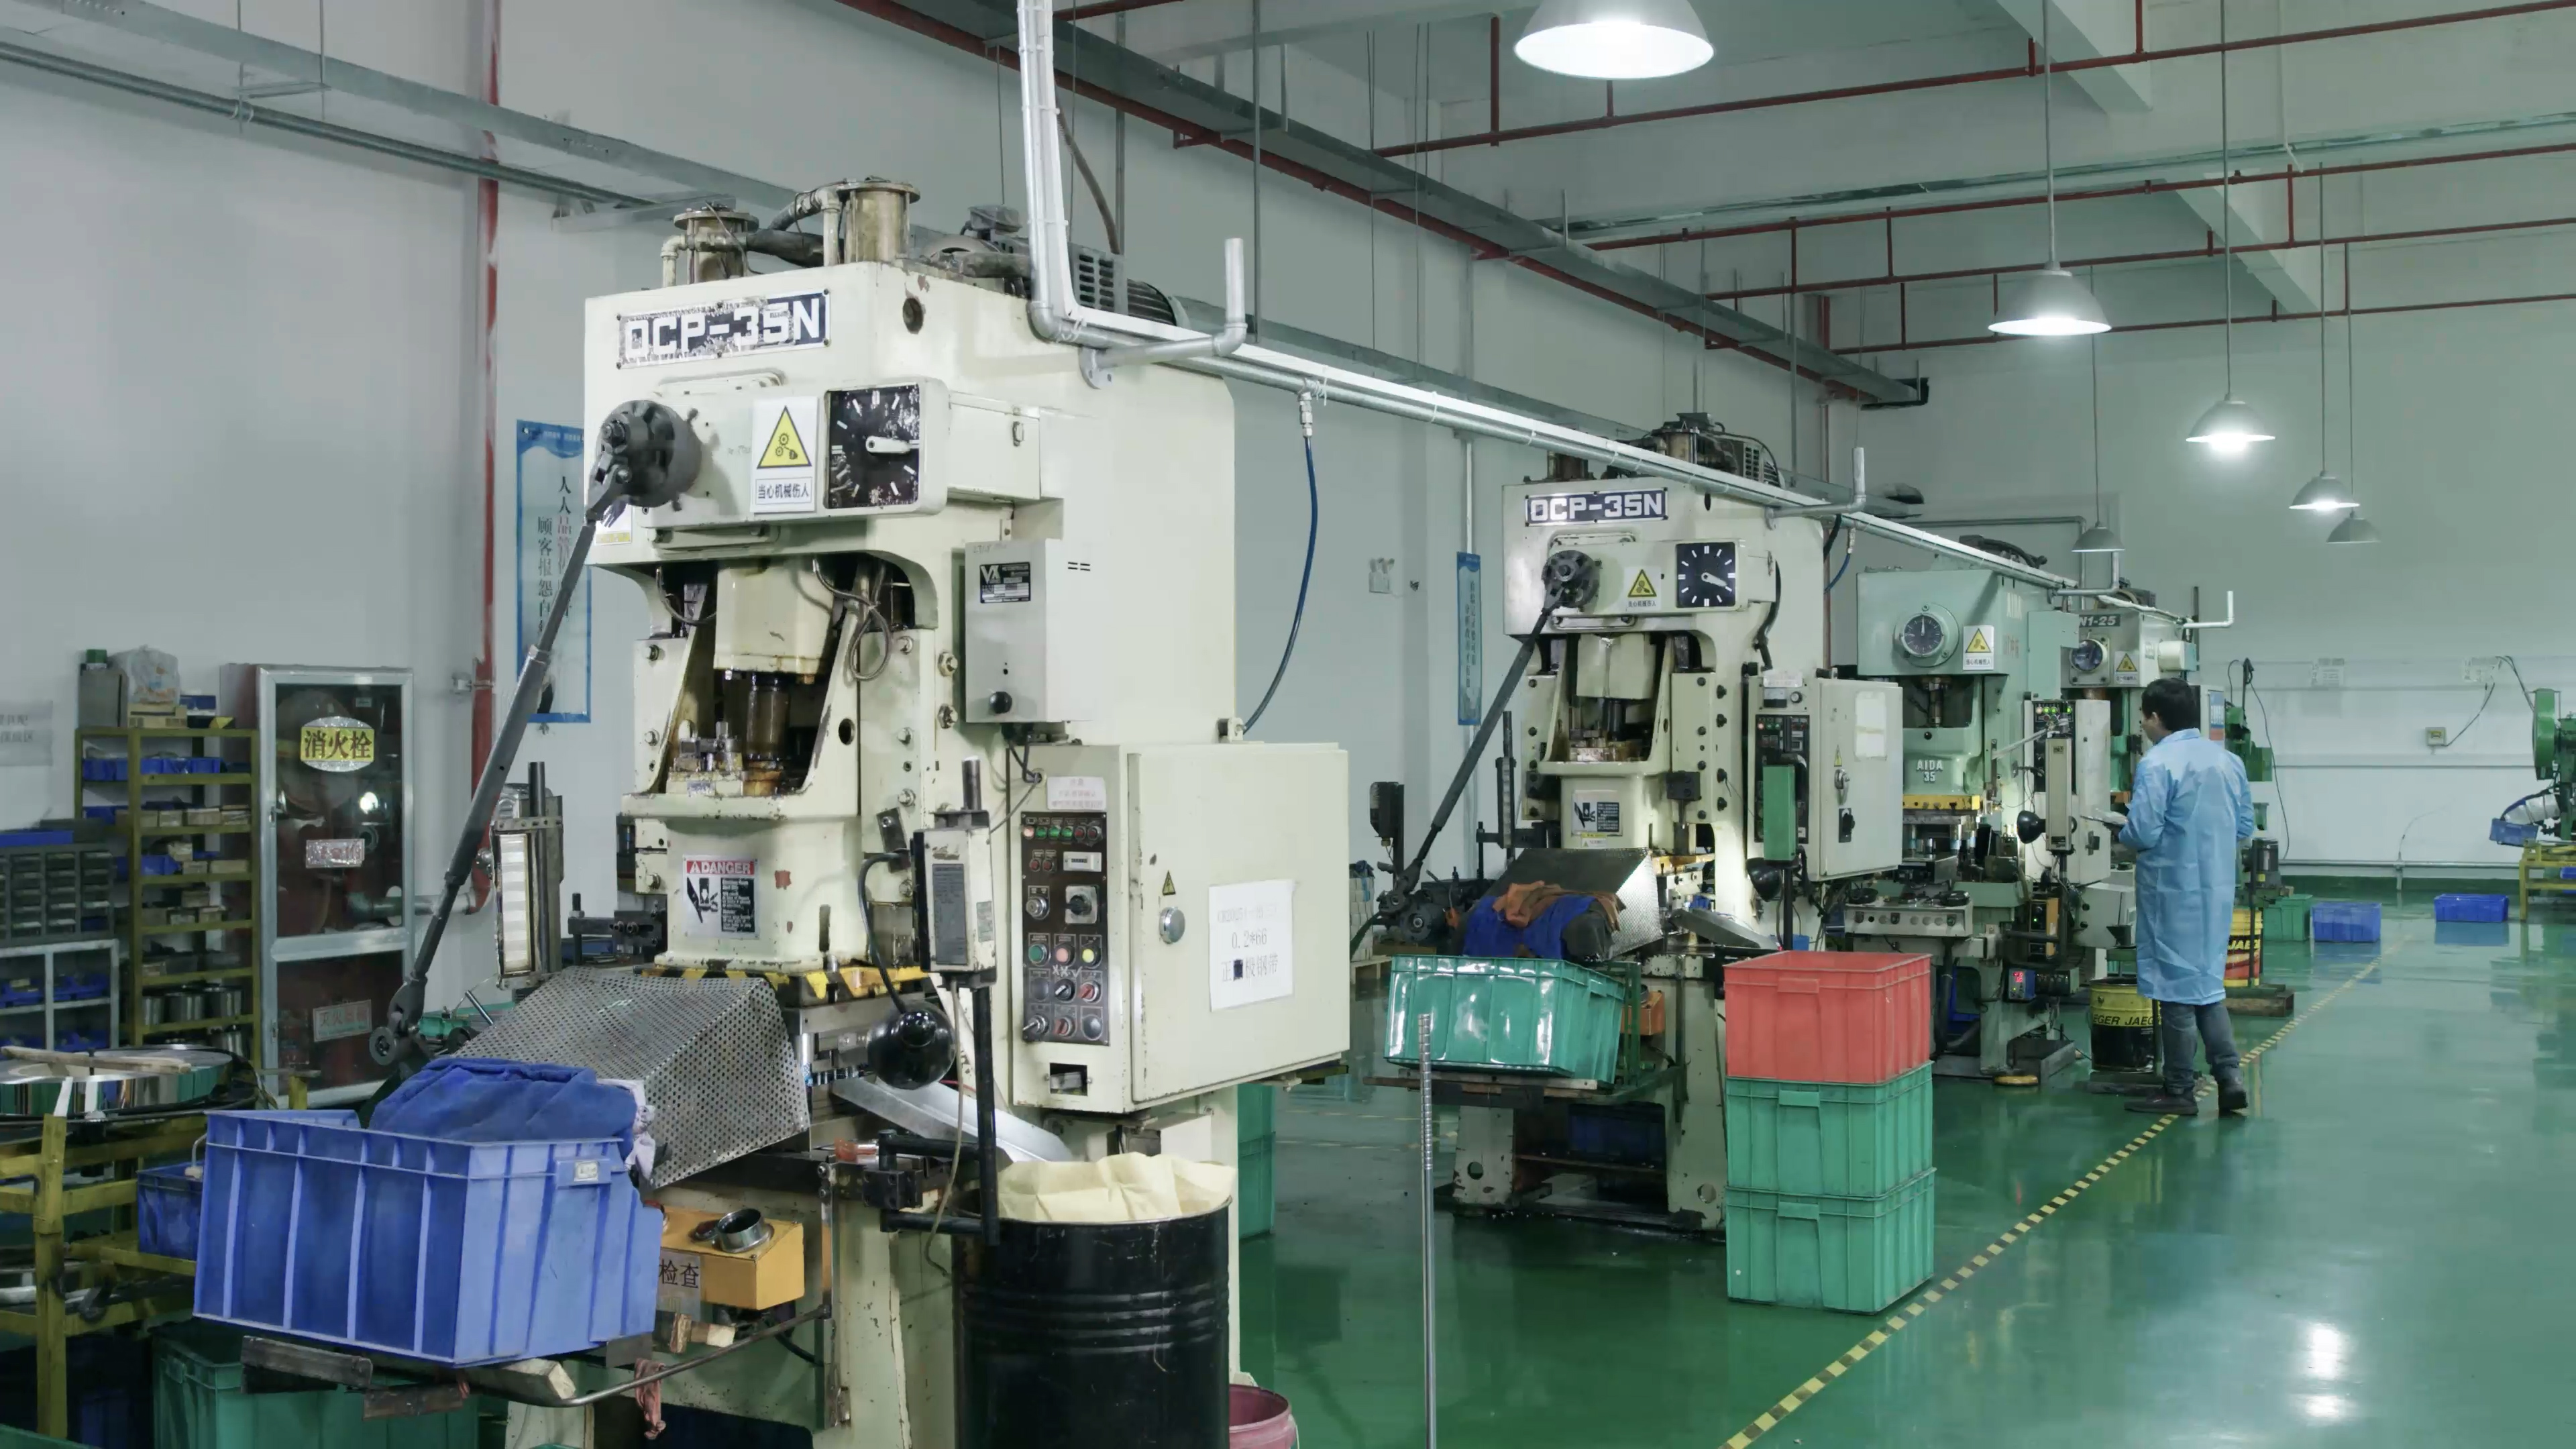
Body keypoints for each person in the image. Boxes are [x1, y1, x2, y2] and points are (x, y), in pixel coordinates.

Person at [2101, 677, 2256, 1116]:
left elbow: (2144, 833)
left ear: (2154, 717)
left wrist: (2118, 830)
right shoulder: (2227, 760)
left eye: (2143, 718)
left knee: (2175, 993)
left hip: (2172, 892)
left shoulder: (2157, 763)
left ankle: (2179, 1089)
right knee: (2207, 986)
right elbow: (2245, 827)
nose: (2143, 725)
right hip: (2216, 892)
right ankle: (2229, 1077)